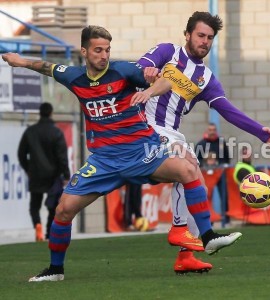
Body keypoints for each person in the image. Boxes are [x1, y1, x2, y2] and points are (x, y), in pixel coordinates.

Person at [2, 25, 247, 282]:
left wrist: (149, 89)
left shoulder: (124, 70)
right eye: (98, 50)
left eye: (107, 50)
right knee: (63, 210)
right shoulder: (74, 76)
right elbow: (47, 67)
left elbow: (165, 80)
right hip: (103, 162)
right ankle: (55, 270)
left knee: (187, 169)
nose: (104, 55)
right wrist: (20, 62)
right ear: (84, 51)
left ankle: (208, 237)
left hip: (142, 153)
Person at [133, 11, 270, 274]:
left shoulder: (205, 78)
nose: (205, 41)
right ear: (188, 34)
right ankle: (183, 230)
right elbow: (139, 67)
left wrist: (261, 132)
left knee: (197, 183)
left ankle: (186, 256)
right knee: (189, 165)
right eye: (201, 35)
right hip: (144, 126)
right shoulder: (167, 51)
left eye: (210, 38)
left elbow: (228, 110)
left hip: (171, 132)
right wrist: (146, 71)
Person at [18, 102, 70, 241]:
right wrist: (66, 174)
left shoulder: (30, 131)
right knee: (53, 206)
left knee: (35, 204)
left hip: (35, 173)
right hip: (53, 175)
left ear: (40, 113)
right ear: (51, 113)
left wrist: (28, 168)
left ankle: (37, 225)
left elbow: (21, 153)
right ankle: (48, 232)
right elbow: (62, 156)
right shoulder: (56, 132)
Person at [234, 146, 270, 218]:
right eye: (245, 154)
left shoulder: (248, 167)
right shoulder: (241, 169)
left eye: (249, 154)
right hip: (254, 196)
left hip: (260, 193)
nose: (248, 156)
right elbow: (251, 184)